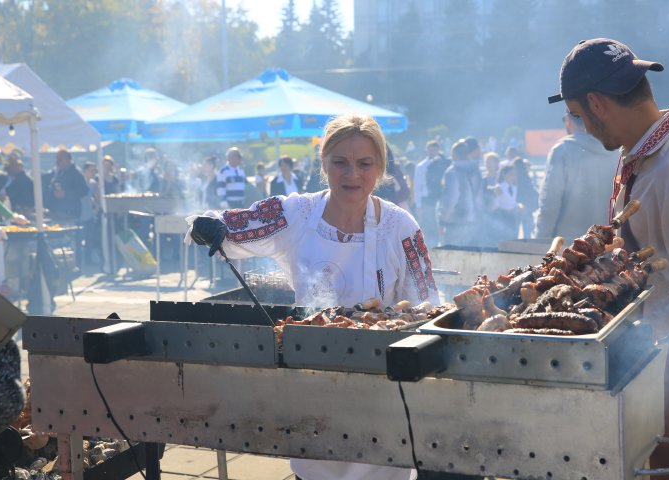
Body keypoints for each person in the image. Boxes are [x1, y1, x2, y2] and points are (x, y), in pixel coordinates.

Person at [188, 114, 439, 480]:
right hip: (314, 379)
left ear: (380, 168)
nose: (352, 173)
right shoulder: (297, 214)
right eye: (340, 162)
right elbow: (232, 225)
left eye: (364, 164)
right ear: (325, 164)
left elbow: (428, 303)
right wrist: (205, 226)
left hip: (383, 385)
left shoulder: (401, 227)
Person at [548, 37, 669, 479]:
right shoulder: (644, 154)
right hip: (657, 356)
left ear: (597, 103)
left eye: (578, 116)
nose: (584, 128)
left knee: (666, 467)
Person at [535, 111, 619, 244]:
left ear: (568, 120)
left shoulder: (562, 150)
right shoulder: (615, 150)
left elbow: (550, 204)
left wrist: (539, 241)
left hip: (566, 248)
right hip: (604, 245)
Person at [438, 138, 483, 246]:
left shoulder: (452, 172)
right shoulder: (476, 170)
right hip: (473, 219)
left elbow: (450, 199)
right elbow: (480, 197)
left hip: (456, 221)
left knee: (454, 257)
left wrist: (442, 221)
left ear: (455, 154)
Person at [413, 140, 450, 246]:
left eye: (435, 150)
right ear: (426, 150)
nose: (432, 152)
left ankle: (441, 245)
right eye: (430, 150)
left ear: (439, 150)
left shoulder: (444, 164)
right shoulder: (421, 166)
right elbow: (417, 186)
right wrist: (418, 205)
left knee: (441, 225)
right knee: (428, 225)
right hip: (426, 199)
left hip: (440, 198)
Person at [45, 149, 89, 224]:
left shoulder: (76, 174)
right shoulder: (58, 173)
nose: (57, 162)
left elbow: (84, 191)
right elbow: (54, 187)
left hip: (70, 213)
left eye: (60, 159)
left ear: (68, 160)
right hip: (57, 212)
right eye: (56, 159)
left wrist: (66, 194)